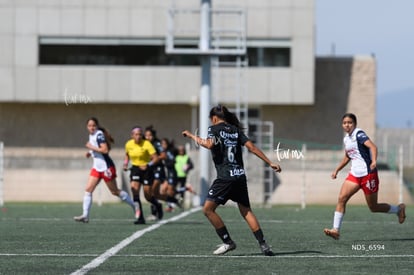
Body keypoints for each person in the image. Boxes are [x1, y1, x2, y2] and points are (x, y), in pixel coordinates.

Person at [182, 104, 282, 256]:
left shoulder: (214, 129)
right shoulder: (235, 130)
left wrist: (191, 136)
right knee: (246, 211)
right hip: (239, 176)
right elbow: (252, 148)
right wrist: (270, 162)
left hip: (225, 178)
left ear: (214, 118)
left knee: (208, 210)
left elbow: (209, 144)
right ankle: (263, 245)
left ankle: (228, 242)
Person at [323, 113, 406, 240]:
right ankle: (336, 230)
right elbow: (348, 156)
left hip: (368, 175)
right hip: (355, 175)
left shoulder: (359, 134)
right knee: (341, 198)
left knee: (373, 207)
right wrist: (337, 170)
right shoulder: (346, 139)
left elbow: (373, 147)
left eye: (350, 122)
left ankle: (398, 209)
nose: (347, 125)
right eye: (345, 123)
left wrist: (373, 161)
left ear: (355, 124)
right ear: (342, 125)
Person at [74, 117, 137, 223]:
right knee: (88, 190)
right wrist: (90, 152)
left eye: (93, 125)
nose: (91, 127)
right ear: (87, 127)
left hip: (106, 168)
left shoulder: (99, 135)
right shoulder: (92, 135)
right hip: (97, 168)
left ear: (97, 126)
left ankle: (135, 206)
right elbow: (95, 147)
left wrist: (91, 147)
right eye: (89, 126)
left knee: (115, 191)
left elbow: (105, 149)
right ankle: (85, 215)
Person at [124, 126, 162, 224]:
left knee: (147, 196)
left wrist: (147, 165)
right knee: (134, 190)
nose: (138, 136)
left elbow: (156, 158)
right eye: (136, 134)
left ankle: (157, 205)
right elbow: (127, 155)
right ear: (132, 135)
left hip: (146, 170)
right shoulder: (128, 144)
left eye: (140, 134)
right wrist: (125, 164)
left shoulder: (147, 144)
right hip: (135, 169)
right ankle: (140, 217)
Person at [144, 126, 165, 220]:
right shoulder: (143, 144)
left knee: (153, 190)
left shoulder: (157, 144)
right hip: (149, 169)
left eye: (150, 135)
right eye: (146, 135)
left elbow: (163, 155)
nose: (148, 137)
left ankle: (155, 212)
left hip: (158, 168)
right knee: (150, 193)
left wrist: (154, 159)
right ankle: (158, 205)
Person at [159, 138, 183, 212]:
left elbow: (174, 159)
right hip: (168, 173)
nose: (163, 145)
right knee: (163, 191)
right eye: (162, 144)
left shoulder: (171, 151)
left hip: (172, 173)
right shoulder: (163, 152)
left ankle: (171, 205)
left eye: (164, 144)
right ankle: (175, 201)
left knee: (170, 191)